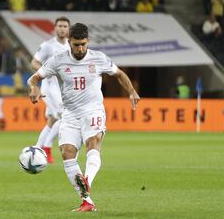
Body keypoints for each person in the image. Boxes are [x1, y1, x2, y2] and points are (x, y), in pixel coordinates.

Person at [27, 23, 140, 212]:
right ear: (69, 42)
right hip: (70, 113)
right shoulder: (58, 60)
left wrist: (132, 92)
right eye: (76, 45)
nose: (80, 49)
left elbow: (119, 74)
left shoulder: (99, 58)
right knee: (67, 152)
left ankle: (86, 179)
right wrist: (34, 88)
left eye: (83, 45)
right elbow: (34, 77)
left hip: (93, 109)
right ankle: (87, 201)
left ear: (88, 41)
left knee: (93, 141)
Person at [31, 16, 71, 163]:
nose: (62, 28)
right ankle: (47, 148)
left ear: (68, 29)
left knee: (52, 120)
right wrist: (47, 70)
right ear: (54, 28)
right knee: (64, 116)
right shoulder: (48, 45)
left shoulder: (70, 46)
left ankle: (36, 150)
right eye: (59, 26)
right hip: (49, 87)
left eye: (65, 26)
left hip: (64, 88)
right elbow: (34, 62)